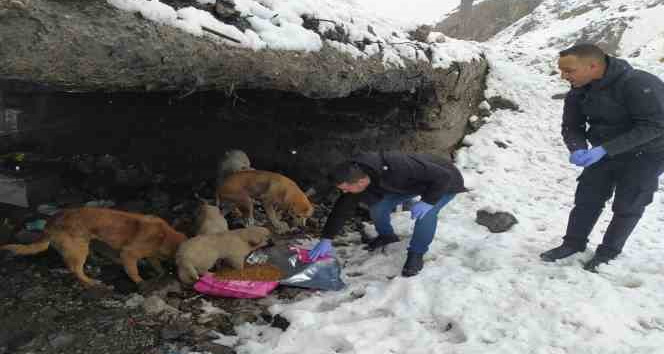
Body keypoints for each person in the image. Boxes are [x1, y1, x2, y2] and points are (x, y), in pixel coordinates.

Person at [540, 43, 664, 272]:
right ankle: (573, 244)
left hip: (647, 154)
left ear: (593, 65)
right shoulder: (579, 89)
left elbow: (655, 126)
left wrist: (604, 149)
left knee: (628, 204)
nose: (563, 76)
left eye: (569, 71)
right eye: (561, 70)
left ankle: (608, 253)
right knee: (587, 199)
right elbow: (571, 125)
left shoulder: (639, 84)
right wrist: (576, 147)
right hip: (604, 152)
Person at [308, 151, 467, 277]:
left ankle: (416, 253)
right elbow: (342, 207)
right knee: (378, 206)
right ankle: (387, 236)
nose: (344, 191)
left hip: (445, 181)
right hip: (409, 184)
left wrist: (428, 201)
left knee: (426, 215)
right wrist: (326, 238)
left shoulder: (398, 166)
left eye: (345, 188)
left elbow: (443, 176)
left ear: (361, 182)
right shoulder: (357, 173)